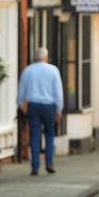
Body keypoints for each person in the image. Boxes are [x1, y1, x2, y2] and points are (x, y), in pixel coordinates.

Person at [17, 47, 63, 176]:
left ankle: (35, 166)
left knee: (35, 135)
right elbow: (58, 92)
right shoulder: (53, 70)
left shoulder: (28, 70)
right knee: (49, 134)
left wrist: (21, 105)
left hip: (33, 105)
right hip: (49, 105)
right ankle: (49, 162)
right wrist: (59, 109)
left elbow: (22, 90)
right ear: (46, 57)